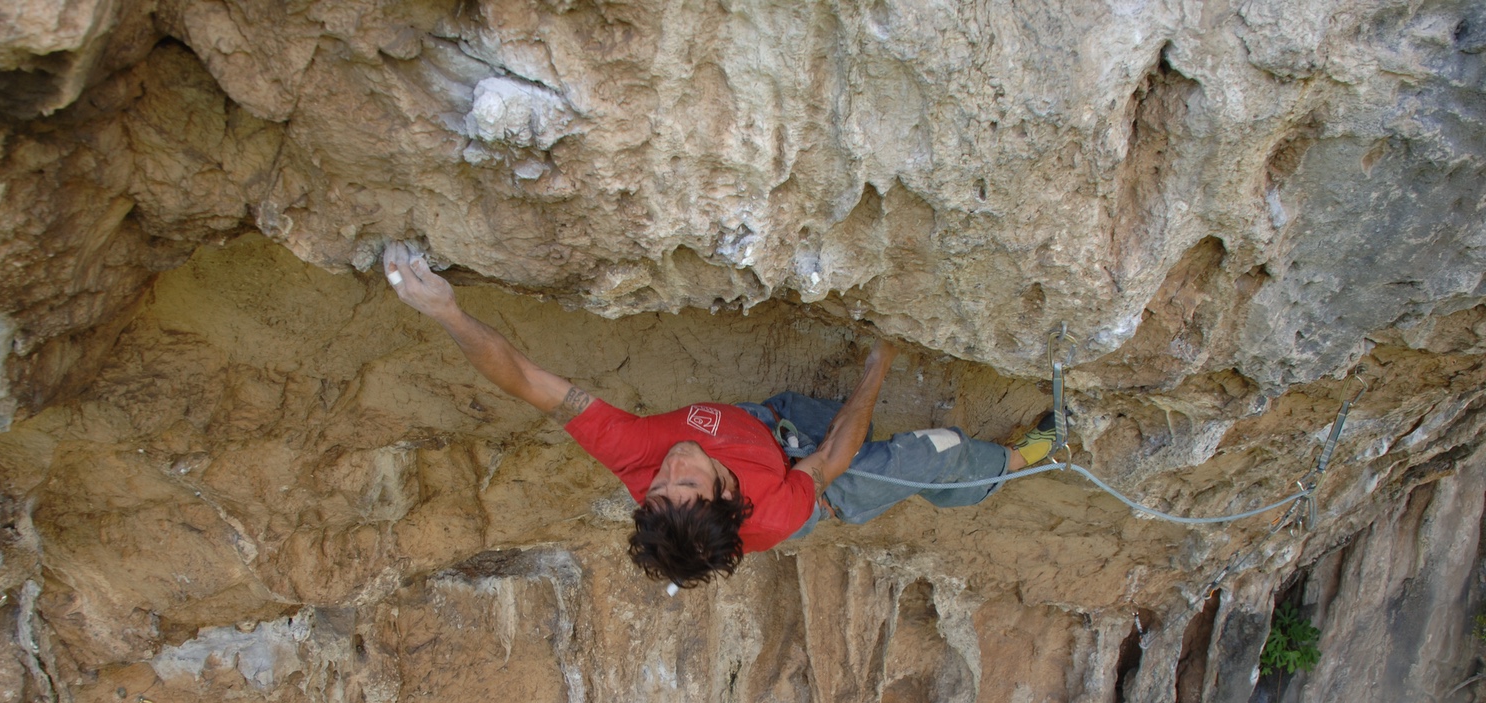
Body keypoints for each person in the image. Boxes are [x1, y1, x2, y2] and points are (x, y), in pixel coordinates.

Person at [382, 243, 1056, 588]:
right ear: (724, 495)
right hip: (821, 484)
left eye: (660, 489)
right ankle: (1019, 462)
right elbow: (832, 461)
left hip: (776, 424)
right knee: (923, 456)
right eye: (686, 484)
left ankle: (828, 421)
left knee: (826, 417)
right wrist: (878, 361)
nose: (672, 467)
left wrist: (447, 311)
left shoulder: (637, 455)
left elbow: (527, 381)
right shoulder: (778, 510)